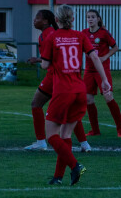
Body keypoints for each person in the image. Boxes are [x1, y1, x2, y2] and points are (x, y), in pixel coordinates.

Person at [41, 5, 111, 186]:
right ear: (73, 19)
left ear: (56, 20)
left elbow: (44, 65)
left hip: (63, 91)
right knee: (65, 135)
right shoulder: (80, 36)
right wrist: (104, 81)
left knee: (51, 136)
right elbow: (94, 57)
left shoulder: (52, 37)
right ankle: (57, 177)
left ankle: (75, 166)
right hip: (79, 90)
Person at [24, 10, 91, 152]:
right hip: (62, 77)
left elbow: (53, 57)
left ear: (47, 21)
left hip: (55, 76)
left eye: (38, 18)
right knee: (70, 109)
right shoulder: (48, 33)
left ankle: (41, 142)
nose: (34, 20)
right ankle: (84, 144)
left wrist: (38, 59)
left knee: (36, 104)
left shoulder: (49, 34)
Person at [81, 9, 121, 138]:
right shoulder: (84, 33)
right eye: (88, 17)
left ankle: (120, 129)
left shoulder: (104, 33)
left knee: (108, 97)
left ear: (98, 19)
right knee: (88, 99)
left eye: (93, 17)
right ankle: (95, 130)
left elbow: (116, 47)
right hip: (89, 70)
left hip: (102, 70)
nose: (90, 19)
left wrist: (105, 57)